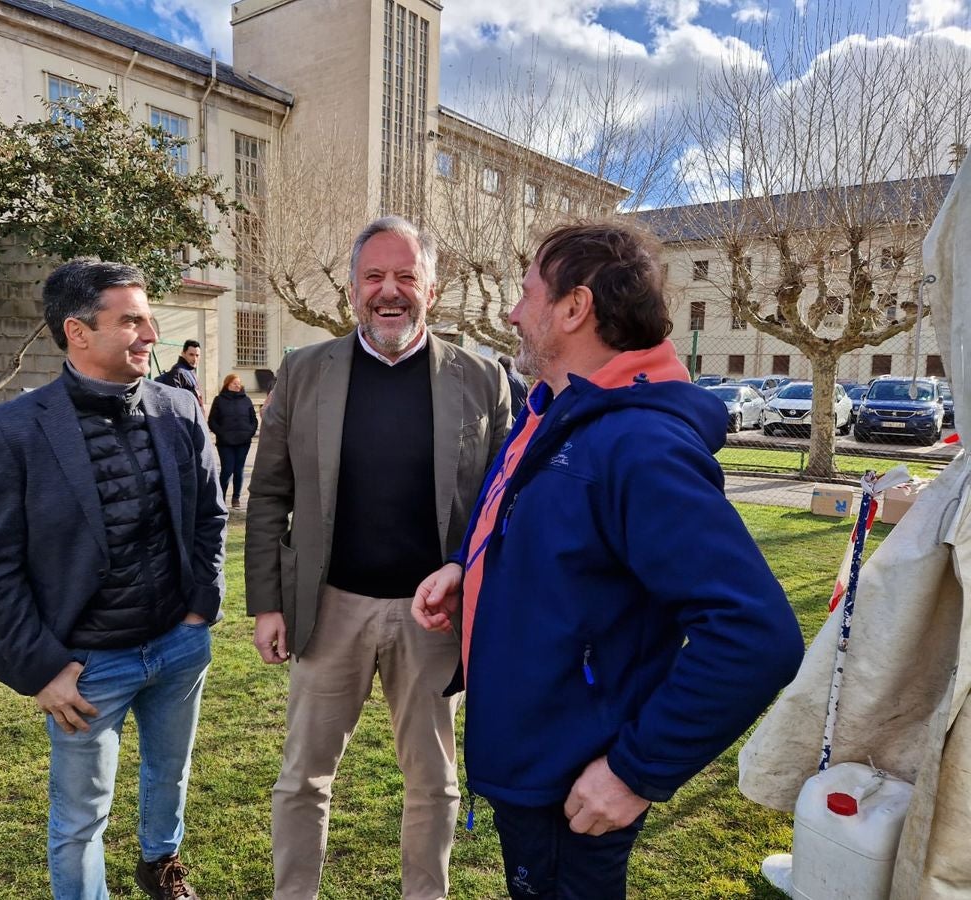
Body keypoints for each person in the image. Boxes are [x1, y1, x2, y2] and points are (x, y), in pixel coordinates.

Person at [412, 221, 804, 900]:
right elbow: (536, 533)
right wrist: (465, 567)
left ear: (574, 307)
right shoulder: (552, 415)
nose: (512, 310)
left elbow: (755, 635)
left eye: (527, 291)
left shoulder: (636, 445)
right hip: (535, 763)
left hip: (575, 791)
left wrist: (633, 772)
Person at [245, 215, 512, 900]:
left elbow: (503, 502)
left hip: (434, 620)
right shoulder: (307, 371)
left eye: (404, 276)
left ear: (432, 285)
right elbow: (270, 491)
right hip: (327, 608)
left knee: (434, 782)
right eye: (374, 277)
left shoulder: (483, 378)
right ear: (353, 287)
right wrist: (268, 603)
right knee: (303, 777)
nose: (388, 291)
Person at [0, 258, 227, 900]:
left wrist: (199, 612)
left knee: (170, 775)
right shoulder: (13, 430)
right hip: (84, 669)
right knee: (81, 818)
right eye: (131, 320)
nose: (150, 333)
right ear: (77, 331)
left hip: (177, 646)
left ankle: (160, 865)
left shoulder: (179, 411)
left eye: (148, 318)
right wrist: (42, 668)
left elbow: (208, 516)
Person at [207, 373, 258, 509]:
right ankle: (221, 497)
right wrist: (221, 433)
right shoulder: (219, 400)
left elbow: (253, 419)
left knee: (239, 470)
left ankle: (236, 498)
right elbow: (212, 421)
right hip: (225, 443)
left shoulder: (246, 400)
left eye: (239, 383)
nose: (237, 385)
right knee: (227, 470)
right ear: (227, 384)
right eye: (234, 383)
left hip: (243, 441)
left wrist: (250, 432)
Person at [156, 339, 204, 407]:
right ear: (183, 354)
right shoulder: (178, 372)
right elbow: (175, 403)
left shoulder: (190, 371)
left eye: (197, 355)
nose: (195, 359)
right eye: (191, 355)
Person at [498, 354, 528, 418]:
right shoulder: (521, 381)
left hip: (503, 417)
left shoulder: (498, 379)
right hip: (519, 417)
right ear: (511, 366)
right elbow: (526, 400)